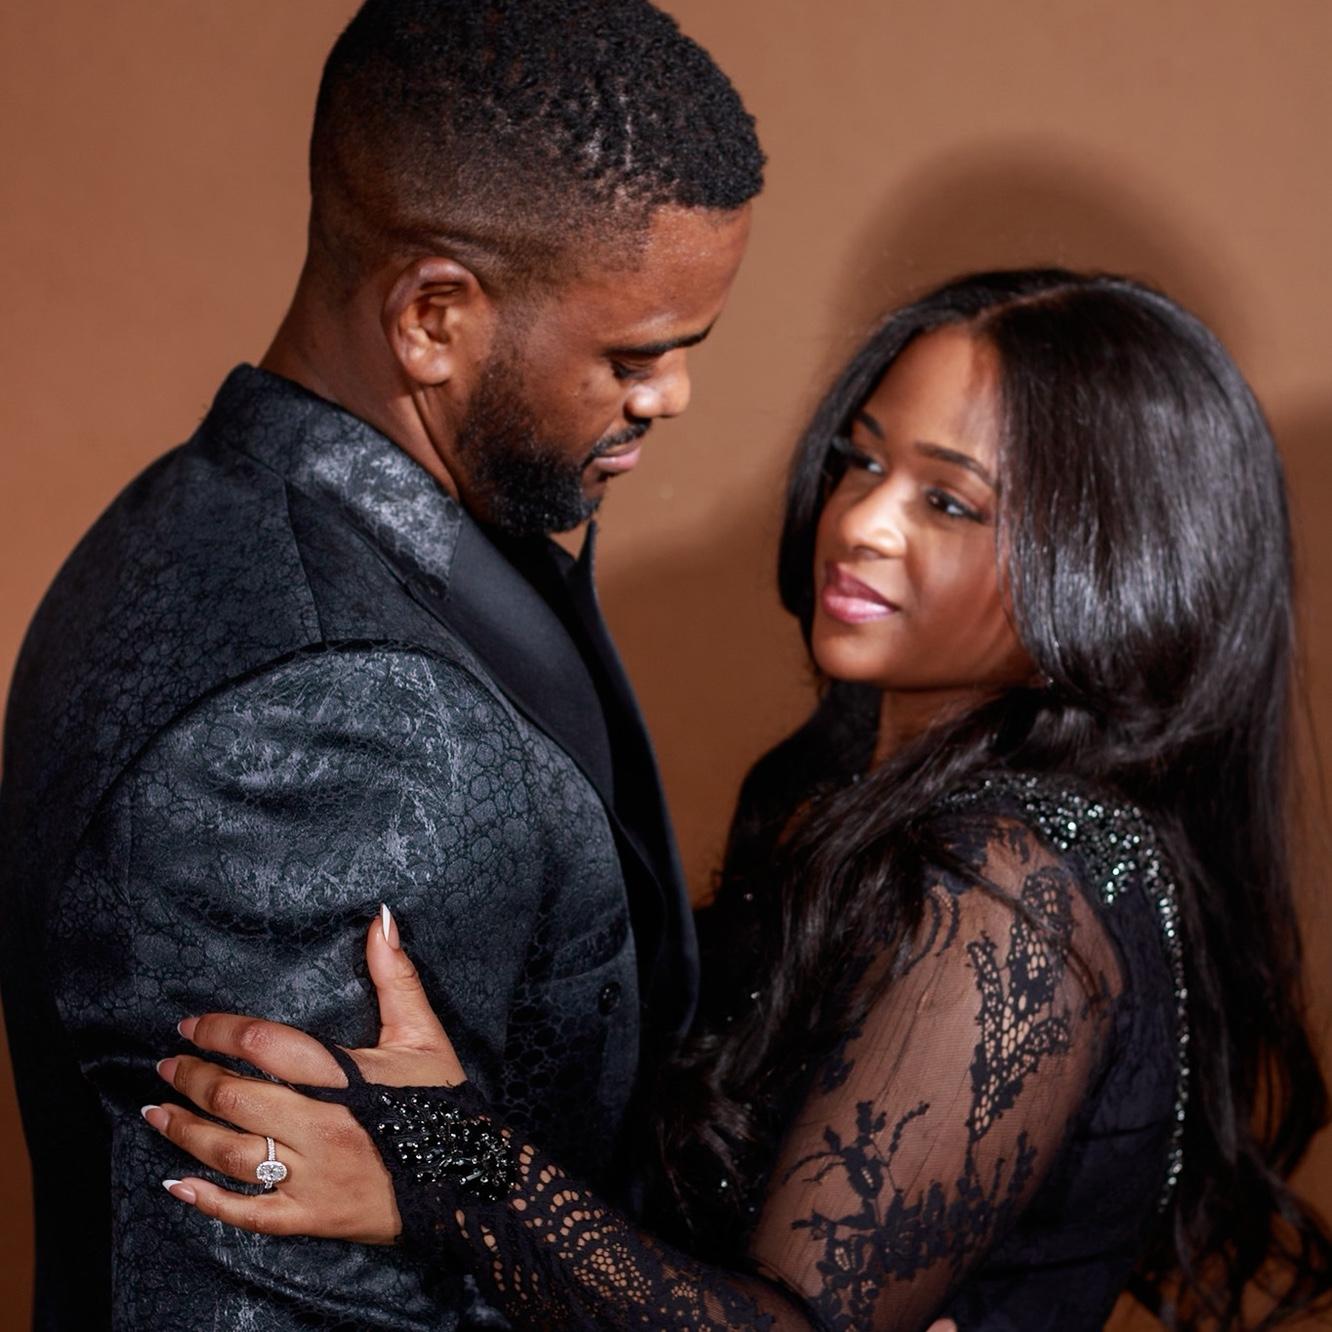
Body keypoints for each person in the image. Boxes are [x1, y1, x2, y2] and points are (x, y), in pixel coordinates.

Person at [145, 270, 1332, 1330]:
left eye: (950, 502)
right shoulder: (846, 791)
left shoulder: (1011, 881)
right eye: (863, 460)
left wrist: (448, 1165)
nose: (859, 524)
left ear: (1118, 559)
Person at [0, 1, 764, 1326]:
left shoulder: (215, 507)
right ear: (433, 316)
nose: (671, 397)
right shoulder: (327, 729)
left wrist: (463, 1173)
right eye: (634, 357)